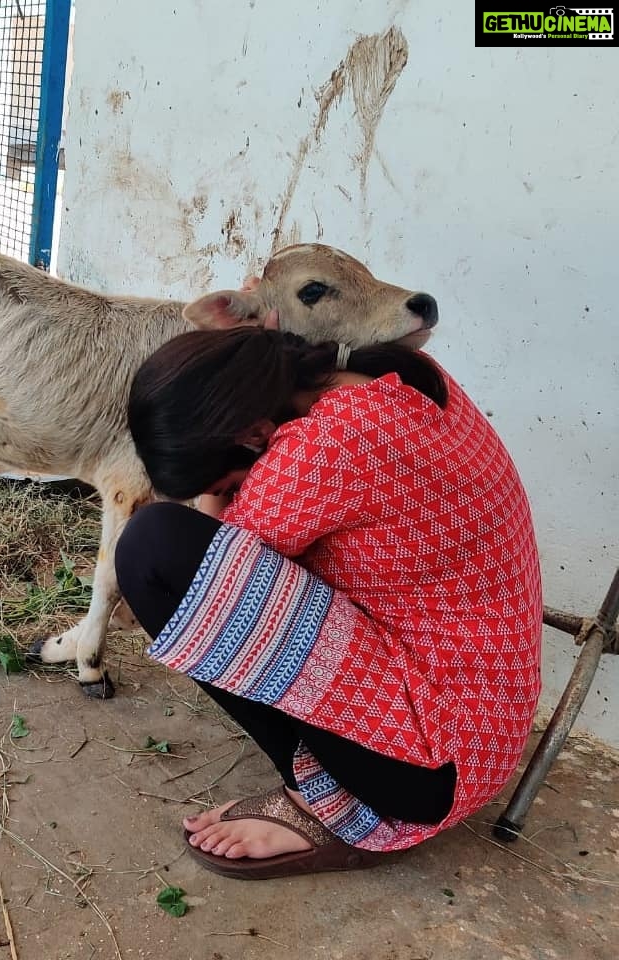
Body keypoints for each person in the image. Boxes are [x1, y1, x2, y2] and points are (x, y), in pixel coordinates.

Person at [115, 325, 542, 880]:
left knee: (154, 550)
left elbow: (208, 569)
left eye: (227, 481)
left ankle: (321, 804)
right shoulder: (400, 376)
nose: (227, 491)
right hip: (486, 727)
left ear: (253, 434)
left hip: (434, 768)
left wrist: (216, 496)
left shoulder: (321, 450)